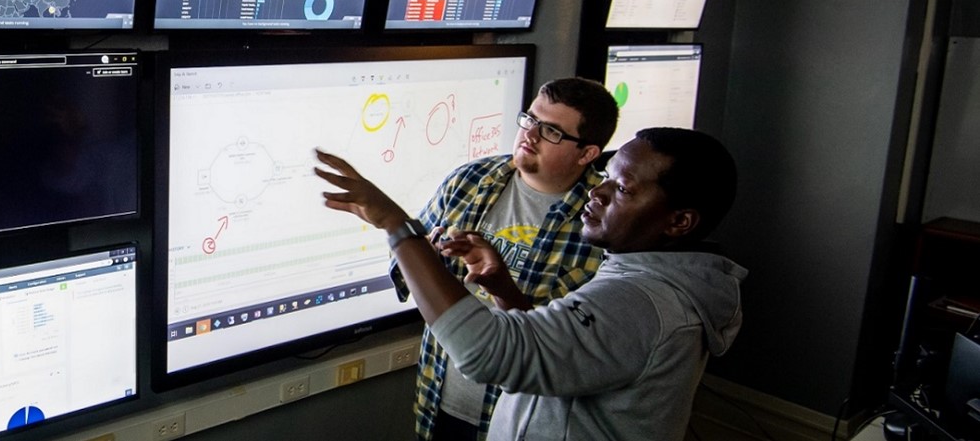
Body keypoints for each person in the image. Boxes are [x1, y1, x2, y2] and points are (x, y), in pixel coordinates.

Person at [317, 127, 745, 440]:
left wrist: (395, 224)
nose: (599, 192)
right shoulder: (643, 280)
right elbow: (564, 360)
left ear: (679, 222)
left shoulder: (641, 303)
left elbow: (487, 353)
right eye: (607, 176)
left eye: (624, 189)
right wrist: (507, 294)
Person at [323, 77, 619, 439]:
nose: (531, 135)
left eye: (552, 132)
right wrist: (424, 254)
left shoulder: (605, 223)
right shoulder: (470, 180)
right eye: (530, 120)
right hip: (440, 401)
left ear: (587, 153)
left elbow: (566, 352)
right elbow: (405, 270)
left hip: (522, 420)